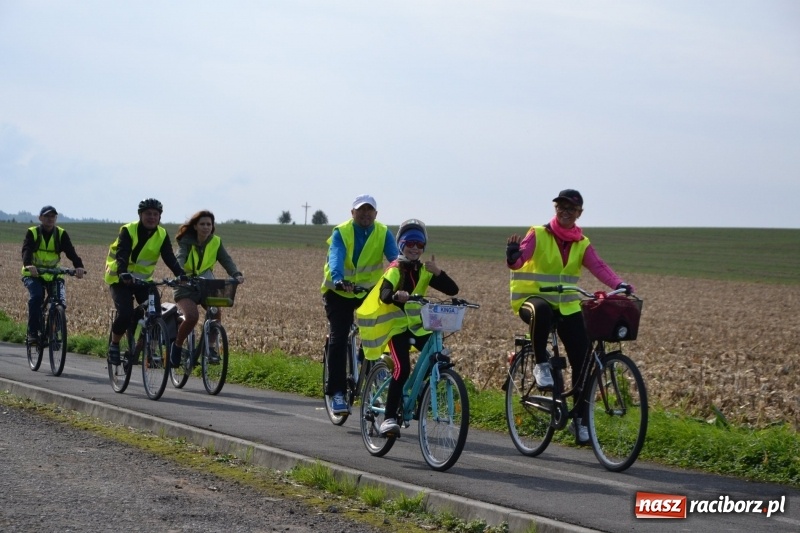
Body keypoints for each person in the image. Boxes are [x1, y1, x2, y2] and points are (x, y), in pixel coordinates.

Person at [506, 189, 633, 444]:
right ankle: (541, 365)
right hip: (532, 300)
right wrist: (513, 257)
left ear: (579, 214)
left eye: (571, 209)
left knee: (583, 361)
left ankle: (580, 420)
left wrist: (620, 284)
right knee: (541, 311)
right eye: (560, 207)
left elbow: (599, 267)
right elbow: (520, 260)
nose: (565, 212)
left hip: (567, 306)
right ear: (555, 210)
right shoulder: (538, 234)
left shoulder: (581, 243)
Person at [356, 219, 459, 436]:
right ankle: (390, 417)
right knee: (402, 370)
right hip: (396, 329)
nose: (415, 247)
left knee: (438, 359)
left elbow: (452, 290)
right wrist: (395, 295)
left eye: (419, 244)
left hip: (417, 328)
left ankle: (418, 395)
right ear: (401, 244)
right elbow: (384, 293)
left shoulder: (424, 270)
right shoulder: (396, 269)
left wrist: (438, 272)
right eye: (410, 243)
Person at [321, 194, 399, 414]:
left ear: (376, 214)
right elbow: (336, 255)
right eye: (361, 210)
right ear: (352, 212)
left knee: (378, 330)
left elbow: (395, 259)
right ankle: (336, 392)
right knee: (339, 336)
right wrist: (338, 278)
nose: (365, 214)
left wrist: (402, 275)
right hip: (340, 291)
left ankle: (367, 366)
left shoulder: (382, 232)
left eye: (369, 210)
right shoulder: (341, 232)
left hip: (368, 291)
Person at [104, 198, 186, 366]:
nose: (152, 217)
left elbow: (169, 257)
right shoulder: (128, 230)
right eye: (148, 214)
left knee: (156, 313)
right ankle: (114, 344)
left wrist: (181, 274)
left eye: (156, 214)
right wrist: (123, 273)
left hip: (143, 280)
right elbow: (122, 254)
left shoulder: (161, 234)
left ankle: (145, 350)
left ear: (160, 217)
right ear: (140, 215)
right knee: (125, 313)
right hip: (120, 279)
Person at [171, 210, 244, 366]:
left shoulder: (215, 241)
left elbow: (226, 260)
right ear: (195, 226)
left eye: (209, 224)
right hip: (186, 285)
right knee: (191, 316)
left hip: (206, 284)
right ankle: (176, 346)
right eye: (202, 224)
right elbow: (180, 257)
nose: (206, 227)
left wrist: (236, 274)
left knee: (216, 312)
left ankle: (210, 348)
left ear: (213, 226)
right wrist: (180, 274)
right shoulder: (186, 241)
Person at [21, 205, 86, 344]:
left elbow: (71, 252)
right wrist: (28, 264)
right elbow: (26, 249)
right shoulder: (33, 232)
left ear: (56, 218)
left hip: (54, 274)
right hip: (34, 274)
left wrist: (79, 266)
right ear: (40, 218)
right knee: (37, 297)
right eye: (47, 216)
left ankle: (54, 332)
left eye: (53, 216)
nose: (50, 219)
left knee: (60, 303)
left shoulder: (61, 234)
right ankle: (33, 332)